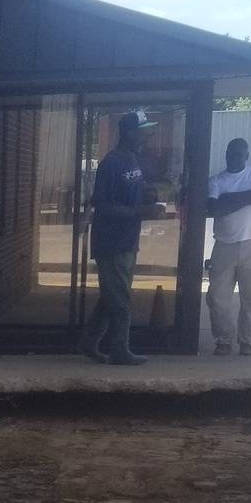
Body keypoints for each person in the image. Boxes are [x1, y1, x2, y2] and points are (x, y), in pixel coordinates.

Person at [83, 111, 169, 367]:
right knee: (120, 300)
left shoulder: (132, 158)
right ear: (130, 133)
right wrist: (140, 211)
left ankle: (89, 342)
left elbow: (131, 195)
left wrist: (149, 200)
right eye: (143, 132)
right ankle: (120, 350)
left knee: (112, 296)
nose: (146, 137)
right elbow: (100, 204)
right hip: (111, 243)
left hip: (128, 240)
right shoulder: (111, 163)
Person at [205, 136, 251, 356]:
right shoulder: (216, 180)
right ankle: (223, 339)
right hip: (224, 245)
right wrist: (248, 198)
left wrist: (229, 199)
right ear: (225, 154)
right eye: (230, 153)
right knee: (217, 297)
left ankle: (247, 341)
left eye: (239, 154)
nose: (234, 157)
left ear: (247, 156)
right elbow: (214, 209)